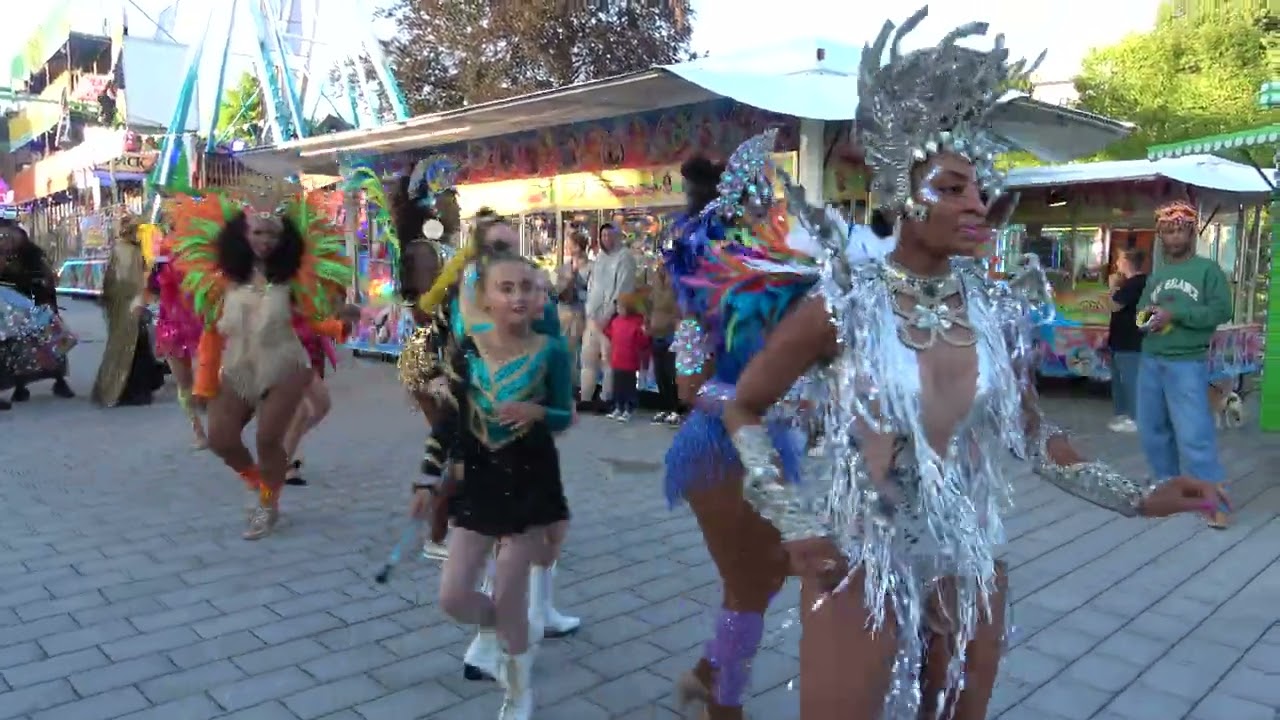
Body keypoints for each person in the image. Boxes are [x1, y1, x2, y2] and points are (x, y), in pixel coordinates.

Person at [719, 11, 1229, 719]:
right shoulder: (843, 307)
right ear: (901, 193)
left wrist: (1138, 497)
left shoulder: (994, 311)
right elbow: (743, 408)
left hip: (970, 556)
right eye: (953, 189)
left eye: (979, 190)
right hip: (861, 556)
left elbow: (1029, 434)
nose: (977, 204)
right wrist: (793, 522)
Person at [664, 141, 828, 720]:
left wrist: (801, 401)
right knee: (749, 583)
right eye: (753, 220)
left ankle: (707, 675)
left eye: (769, 218)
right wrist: (756, 404)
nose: (763, 231)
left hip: (772, 447)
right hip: (716, 452)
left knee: (767, 578)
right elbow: (690, 391)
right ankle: (723, 706)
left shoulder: (789, 297)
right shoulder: (698, 307)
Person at [395, 179, 580, 683]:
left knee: (542, 535)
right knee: (489, 532)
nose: (501, 251)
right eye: (492, 244)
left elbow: (554, 373)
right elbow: (439, 326)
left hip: (524, 437)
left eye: (506, 244)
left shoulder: (524, 292)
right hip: (473, 421)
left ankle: (529, 618)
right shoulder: (466, 291)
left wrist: (539, 409)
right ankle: (494, 632)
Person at [171, 182, 355, 540]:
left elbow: (311, 318)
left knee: (269, 438)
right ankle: (260, 484)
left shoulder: (293, 277)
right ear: (244, 233)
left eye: (273, 234)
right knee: (221, 438)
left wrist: (340, 321)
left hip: (286, 365)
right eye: (258, 232)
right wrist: (203, 383)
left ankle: (268, 505)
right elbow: (212, 330)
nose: (265, 240)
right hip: (239, 367)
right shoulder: (224, 277)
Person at [1137, 199, 1234, 529]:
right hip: (1151, 358)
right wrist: (1147, 318)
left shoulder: (1208, 270)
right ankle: (1168, 489)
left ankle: (1215, 502)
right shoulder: (1157, 275)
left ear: (1192, 233)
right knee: (1153, 429)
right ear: (1161, 236)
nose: (1174, 234)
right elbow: (1140, 311)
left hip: (1186, 362)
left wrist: (1176, 314)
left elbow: (1222, 311)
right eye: (1168, 230)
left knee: (1194, 433)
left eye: (1181, 229)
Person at [92, 213, 165, 407]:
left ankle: (137, 388)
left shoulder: (129, 249)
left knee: (134, 347)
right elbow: (126, 282)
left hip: (128, 307)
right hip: (127, 308)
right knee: (127, 348)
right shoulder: (125, 250)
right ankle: (126, 391)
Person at [0, 221, 76, 404]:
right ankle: (20, 387)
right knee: (19, 350)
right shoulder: (6, 257)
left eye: (9, 237)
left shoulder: (34, 256)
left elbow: (47, 280)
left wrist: (46, 301)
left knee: (50, 345)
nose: (6, 241)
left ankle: (59, 380)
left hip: (39, 305)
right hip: (15, 311)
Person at [147, 228, 208, 444]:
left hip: (198, 325)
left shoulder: (203, 252)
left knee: (204, 381)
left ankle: (214, 424)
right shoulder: (161, 255)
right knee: (184, 384)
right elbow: (151, 288)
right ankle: (198, 432)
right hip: (171, 327)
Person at [579, 222, 637, 411]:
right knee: (588, 358)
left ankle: (606, 399)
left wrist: (608, 315)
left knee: (608, 359)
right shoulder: (599, 259)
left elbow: (622, 288)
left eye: (610, 235)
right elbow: (592, 287)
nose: (606, 239)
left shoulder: (625, 258)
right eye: (603, 236)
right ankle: (586, 397)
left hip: (611, 318)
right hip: (593, 317)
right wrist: (590, 311)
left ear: (617, 236)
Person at [1106, 248, 1147, 433]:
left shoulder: (1134, 284)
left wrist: (1112, 288)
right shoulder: (1136, 283)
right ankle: (1123, 414)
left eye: (1120, 259)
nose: (1117, 263)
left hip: (1129, 341)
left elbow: (1115, 305)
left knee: (1129, 380)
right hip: (1123, 340)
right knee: (1120, 380)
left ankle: (1134, 417)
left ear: (1127, 262)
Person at [602, 290, 649, 421]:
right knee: (618, 386)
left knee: (628, 386)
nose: (618, 309)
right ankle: (618, 406)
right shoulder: (616, 321)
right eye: (617, 307)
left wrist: (644, 333)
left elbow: (642, 342)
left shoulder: (636, 323)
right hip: (617, 359)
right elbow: (609, 333)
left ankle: (629, 408)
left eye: (620, 307)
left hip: (630, 360)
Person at [646, 263, 683, 426]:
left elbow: (677, 307)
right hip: (656, 330)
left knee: (670, 372)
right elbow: (650, 303)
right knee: (659, 373)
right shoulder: (654, 283)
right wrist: (647, 322)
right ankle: (664, 407)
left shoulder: (676, 284)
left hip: (670, 331)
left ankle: (675, 409)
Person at [555, 232, 589, 384]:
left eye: (570, 244)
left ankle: (581, 386)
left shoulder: (592, 268)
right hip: (565, 314)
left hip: (583, 315)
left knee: (583, 354)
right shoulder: (563, 268)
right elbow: (556, 290)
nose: (567, 247)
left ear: (578, 247)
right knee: (566, 352)